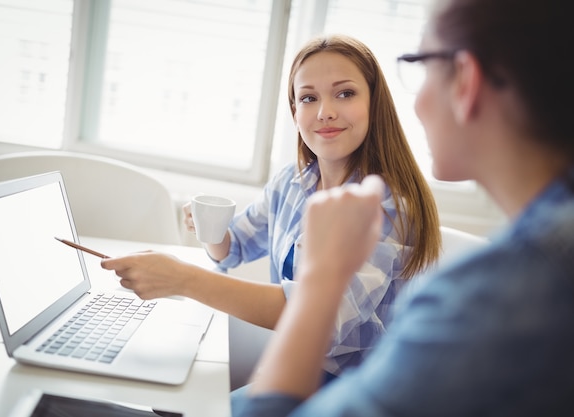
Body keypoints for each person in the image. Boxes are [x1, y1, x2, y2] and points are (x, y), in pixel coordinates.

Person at [232, 0, 574, 415]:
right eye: (308, 98)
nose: (416, 103)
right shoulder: (540, 258)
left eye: (422, 64)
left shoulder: (495, 295)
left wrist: (323, 279)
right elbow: (235, 241)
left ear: (465, 81)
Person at [101, 34, 441, 384]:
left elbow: (321, 319)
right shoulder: (291, 184)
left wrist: (182, 278)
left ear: (375, 103)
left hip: (351, 390)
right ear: (296, 112)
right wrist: (210, 229)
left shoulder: (386, 203)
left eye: (345, 93)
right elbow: (233, 249)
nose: (325, 111)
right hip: (292, 369)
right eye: (309, 98)